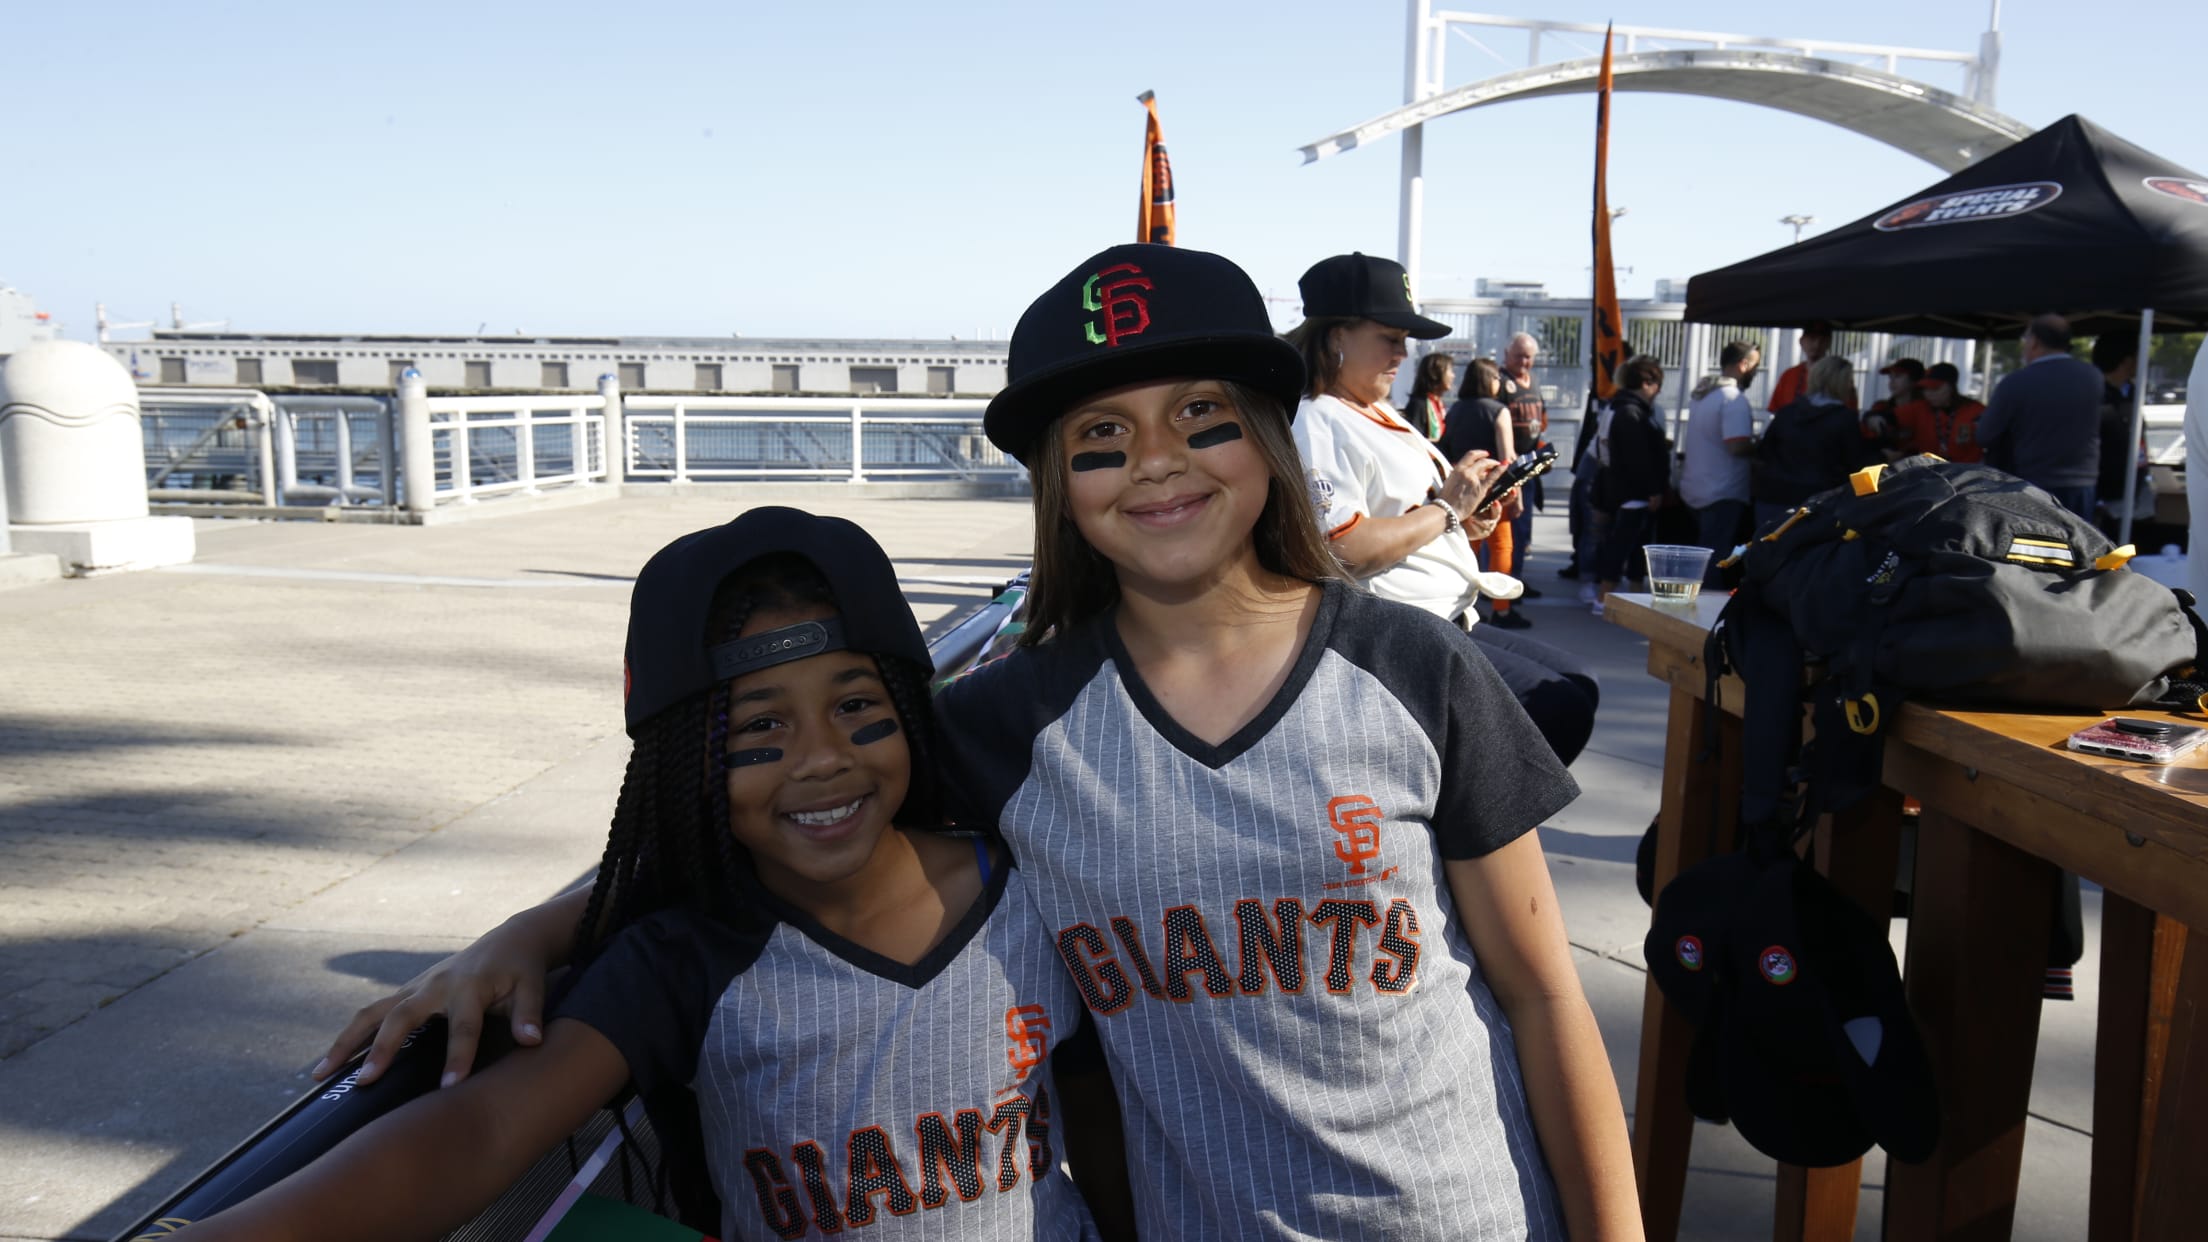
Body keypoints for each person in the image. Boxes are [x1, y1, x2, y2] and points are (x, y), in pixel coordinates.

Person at [322, 244, 1643, 1242]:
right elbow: (780, 815)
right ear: (1058, 488)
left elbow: (1536, 992)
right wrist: (521, 940)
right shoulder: (1007, 725)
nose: (1160, 466)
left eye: (1205, 418)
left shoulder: (1414, 668)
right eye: (1101, 441)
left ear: (1270, 436)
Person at [207, 509, 1118, 1240]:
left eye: (854, 705)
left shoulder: (1029, 885)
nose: (822, 759)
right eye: (758, 729)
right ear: (681, 766)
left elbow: (1104, 1113)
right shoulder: (683, 958)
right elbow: (483, 1130)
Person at [1288, 251, 1601, 765]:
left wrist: (1469, 515)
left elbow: (1418, 514)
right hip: (1391, 634)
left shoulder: (1374, 409)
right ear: (1336, 336)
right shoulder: (1316, 418)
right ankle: (1466, 828)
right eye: (1389, 338)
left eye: (1404, 342)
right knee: (1558, 707)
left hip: (1448, 615)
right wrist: (1446, 512)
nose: (1401, 354)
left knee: (1577, 684)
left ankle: (1477, 821)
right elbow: (1342, 547)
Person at [1977, 313, 2104, 519]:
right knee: (2079, 545)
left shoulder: (2017, 381)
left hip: (2031, 481)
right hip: (2082, 480)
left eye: (2026, 339)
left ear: (2035, 342)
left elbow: (1985, 435)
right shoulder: (2093, 377)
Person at [1440, 356, 1529, 628]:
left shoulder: (1455, 409)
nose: (1498, 383)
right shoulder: (1498, 410)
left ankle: (1464, 604)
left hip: (1461, 488)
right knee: (1502, 545)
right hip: (1492, 488)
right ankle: (1501, 609)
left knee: (1467, 545)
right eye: (1495, 378)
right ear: (1486, 380)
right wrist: (1517, 494)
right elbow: (1508, 456)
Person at [1752, 354, 1878, 531]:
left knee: (1768, 554)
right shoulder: (1844, 419)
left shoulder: (1786, 413)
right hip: (1817, 504)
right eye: (1850, 380)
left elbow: (1764, 452)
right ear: (1841, 382)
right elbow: (1856, 463)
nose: (1852, 385)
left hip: (1772, 499)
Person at [1590, 354, 1671, 609]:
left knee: (1633, 546)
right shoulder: (1631, 412)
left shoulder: (1617, 407)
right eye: (1657, 384)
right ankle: (1604, 597)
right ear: (1647, 383)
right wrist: (1654, 490)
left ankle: (1631, 597)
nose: (1658, 391)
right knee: (1623, 544)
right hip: (1632, 491)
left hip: (1619, 488)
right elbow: (1638, 458)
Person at [1676, 340, 1760, 583]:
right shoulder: (1733, 399)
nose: (1755, 371)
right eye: (1755, 365)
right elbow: (1737, 445)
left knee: (1703, 558)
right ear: (1743, 365)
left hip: (1696, 488)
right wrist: (1760, 445)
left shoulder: (1704, 396)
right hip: (1723, 491)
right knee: (1715, 561)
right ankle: (1705, 614)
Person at [1497, 332, 1549, 596]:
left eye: (1528, 356)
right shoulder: (1501, 383)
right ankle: (1504, 586)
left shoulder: (1534, 383)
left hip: (1530, 467)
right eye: (1519, 355)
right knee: (1507, 533)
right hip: (1508, 468)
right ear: (1507, 355)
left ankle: (1516, 580)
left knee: (1523, 531)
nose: (1524, 361)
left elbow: (1541, 419)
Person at [2092, 332, 2149, 535]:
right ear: (2127, 361)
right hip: (2102, 491)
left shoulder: (2133, 392)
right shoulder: (2094, 393)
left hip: (2134, 487)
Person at [1892, 361, 1986, 463]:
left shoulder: (1976, 411)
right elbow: (1889, 417)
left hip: (1968, 474)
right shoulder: (1920, 408)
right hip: (1927, 473)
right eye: (1925, 389)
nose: (1928, 394)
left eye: (1935, 388)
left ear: (1951, 387)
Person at [1766, 320, 1833, 412]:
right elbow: (1776, 411)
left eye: (1822, 339)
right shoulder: (1789, 376)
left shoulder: (1838, 378)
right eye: (1812, 338)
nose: (1817, 344)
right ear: (1801, 341)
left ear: (1829, 343)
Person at [1862, 357, 1921, 450]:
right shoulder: (1881, 406)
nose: (1892, 381)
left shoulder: (1924, 409)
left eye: (1898, 376)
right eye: (1890, 377)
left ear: (1913, 380)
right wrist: (1870, 417)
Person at [1402, 349, 1456, 440]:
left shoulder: (1438, 403)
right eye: (1450, 371)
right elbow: (1414, 439)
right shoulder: (1419, 404)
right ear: (1435, 373)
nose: (1453, 376)